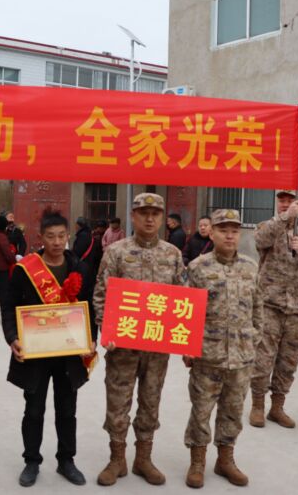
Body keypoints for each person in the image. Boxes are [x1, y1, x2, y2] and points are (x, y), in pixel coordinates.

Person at [94, 193, 184, 487]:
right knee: (117, 402)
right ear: (133, 216)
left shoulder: (173, 254)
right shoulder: (116, 252)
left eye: (155, 213)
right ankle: (116, 459)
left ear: (162, 218)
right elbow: (101, 295)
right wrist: (106, 331)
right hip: (123, 347)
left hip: (157, 348)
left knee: (150, 401)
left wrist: (184, 338)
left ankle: (143, 458)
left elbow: (183, 300)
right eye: (143, 213)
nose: (149, 218)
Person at [2, 208, 97, 488]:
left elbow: (90, 308)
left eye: (61, 236)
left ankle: (66, 460)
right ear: (41, 238)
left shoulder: (80, 268)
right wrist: (12, 337)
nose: (57, 242)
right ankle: (31, 461)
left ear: (68, 237)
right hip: (36, 352)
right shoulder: (25, 270)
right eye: (51, 236)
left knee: (67, 410)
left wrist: (91, 338)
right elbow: (9, 305)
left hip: (69, 352)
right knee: (33, 410)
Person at [182, 209, 262, 488]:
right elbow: (186, 311)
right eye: (223, 230)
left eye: (234, 231)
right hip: (208, 356)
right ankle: (197, 461)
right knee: (201, 411)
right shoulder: (197, 268)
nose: (229, 235)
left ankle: (225, 460)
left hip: (241, 356)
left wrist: (254, 340)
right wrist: (187, 347)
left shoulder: (251, 267)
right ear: (212, 233)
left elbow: (258, 308)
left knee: (233, 411)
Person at [249, 190, 298, 429]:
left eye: (290, 201)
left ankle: (277, 407)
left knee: (289, 360)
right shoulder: (268, 226)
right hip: (269, 304)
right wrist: (284, 218)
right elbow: (260, 241)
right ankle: (258, 405)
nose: (285, 204)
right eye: (281, 201)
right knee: (263, 357)